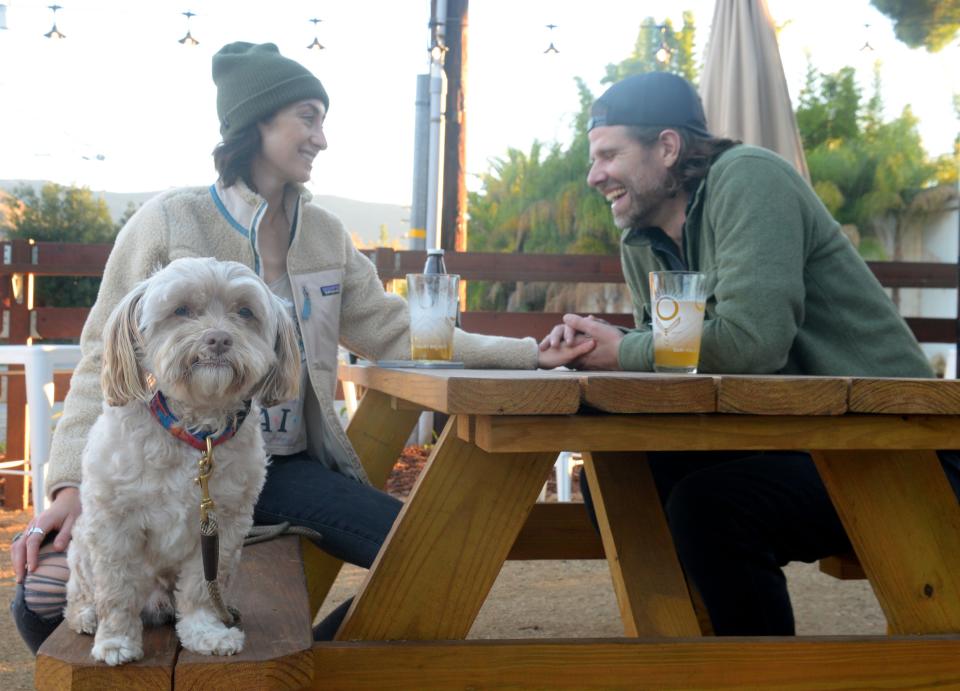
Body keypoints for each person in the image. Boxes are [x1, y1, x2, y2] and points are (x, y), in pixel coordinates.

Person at [9, 41, 592, 654]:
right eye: (308, 117)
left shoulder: (326, 234)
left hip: (273, 466)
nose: (321, 137)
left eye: (323, 120)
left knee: (431, 561)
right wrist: (70, 486)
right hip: (156, 464)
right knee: (41, 599)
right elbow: (104, 353)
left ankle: (299, 662)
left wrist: (529, 354)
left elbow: (395, 329)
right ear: (257, 121)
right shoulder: (169, 221)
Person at [540, 71, 960, 635]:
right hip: (801, 435)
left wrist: (625, 352)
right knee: (620, 476)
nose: (594, 176)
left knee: (711, 506)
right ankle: (691, 655)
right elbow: (671, 367)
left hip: (903, 447)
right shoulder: (640, 242)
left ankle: (758, 675)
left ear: (666, 147)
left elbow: (751, 343)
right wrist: (599, 346)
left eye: (608, 154)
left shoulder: (749, 179)